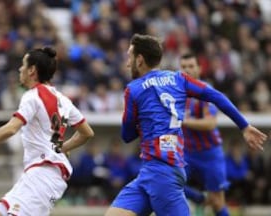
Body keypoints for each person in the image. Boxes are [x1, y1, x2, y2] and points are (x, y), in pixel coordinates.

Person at [104, 34, 267, 216]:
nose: (127, 63)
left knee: (217, 202)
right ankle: (197, 196)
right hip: (151, 172)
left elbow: (126, 136)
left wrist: (144, 122)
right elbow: (217, 96)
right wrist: (244, 126)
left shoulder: (133, 89)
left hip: (163, 172)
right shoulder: (179, 79)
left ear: (140, 60)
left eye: (130, 57)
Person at [0, 47, 94, 216]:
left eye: (23, 65)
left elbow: (11, 128)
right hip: (38, 174)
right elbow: (86, 133)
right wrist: (61, 148)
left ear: (32, 70)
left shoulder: (32, 96)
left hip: (43, 176)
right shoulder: (63, 99)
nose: (20, 69)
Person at [180, 53, 230, 216]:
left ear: (199, 69)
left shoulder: (205, 92)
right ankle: (199, 198)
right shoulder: (176, 93)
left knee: (217, 203)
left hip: (210, 153)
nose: (187, 70)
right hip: (187, 152)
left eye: (191, 66)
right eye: (184, 66)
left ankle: (204, 200)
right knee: (169, 182)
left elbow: (211, 123)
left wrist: (184, 121)